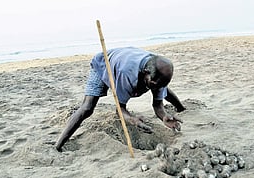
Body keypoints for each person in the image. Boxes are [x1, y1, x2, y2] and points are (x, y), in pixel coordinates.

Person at [55, 47, 186, 152]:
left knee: (162, 88)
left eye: (161, 84)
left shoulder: (159, 73)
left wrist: (164, 116)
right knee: (87, 108)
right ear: (145, 72)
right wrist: (131, 119)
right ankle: (58, 144)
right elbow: (120, 109)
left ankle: (181, 107)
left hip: (130, 61)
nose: (155, 87)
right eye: (153, 84)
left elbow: (158, 106)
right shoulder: (126, 74)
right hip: (103, 64)